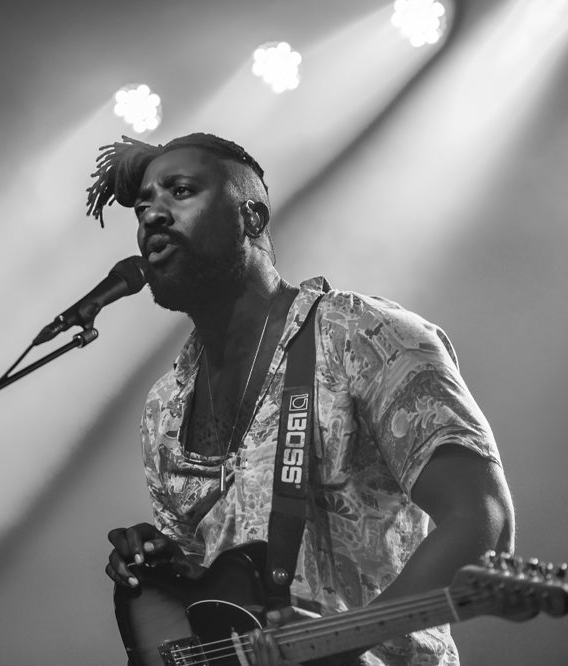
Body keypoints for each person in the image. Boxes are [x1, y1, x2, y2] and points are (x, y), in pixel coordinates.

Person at [93, 133, 515, 666]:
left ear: (252, 217)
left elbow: (482, 521)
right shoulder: (165, 406)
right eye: (142, 205)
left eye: (179, 191)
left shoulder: (360, 335)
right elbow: (202, 590)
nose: (153, 214)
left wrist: (347, 637)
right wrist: (160, 565)